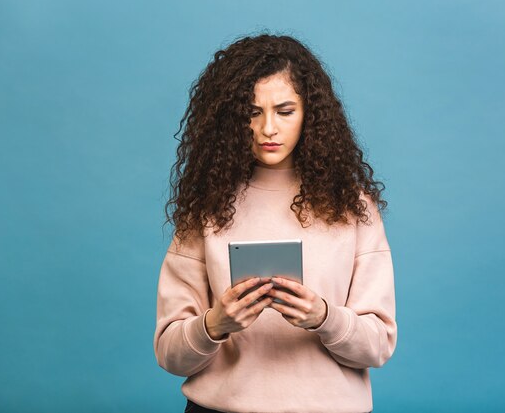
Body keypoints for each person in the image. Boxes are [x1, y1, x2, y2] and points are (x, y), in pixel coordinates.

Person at [154, 33, 397, 413]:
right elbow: (170, 355)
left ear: (310, 115)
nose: (269, 128)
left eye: (285, 111)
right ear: (232, 119)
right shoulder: (207, 206)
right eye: (252, 112)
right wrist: (215, 324)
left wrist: (324, 318)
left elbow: (379, 345)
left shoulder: (353, 206)